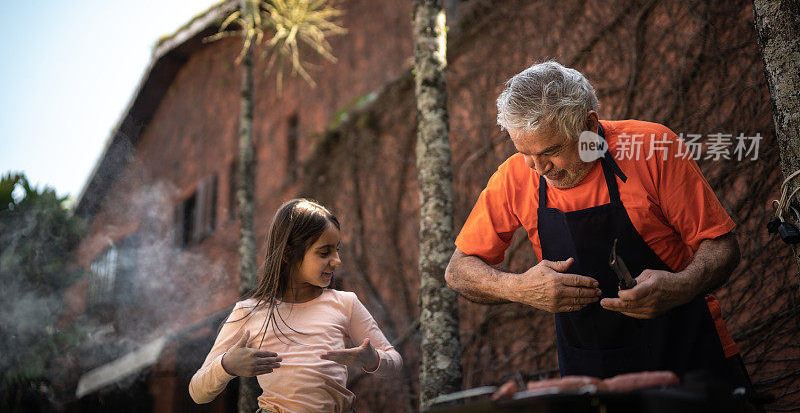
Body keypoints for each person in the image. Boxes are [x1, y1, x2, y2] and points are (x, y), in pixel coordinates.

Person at [445, 61, 751, 386]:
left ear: (589, 124)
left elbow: (722, 246)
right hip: (590, 376)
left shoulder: (651, 147)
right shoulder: (514, 177)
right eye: (525, 153)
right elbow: (459, 269)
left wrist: (682, 286)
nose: (539, 167)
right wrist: (518, 288)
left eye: (551, 150)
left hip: (689, 358)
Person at [189, 198, 402, 412]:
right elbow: (197, 391)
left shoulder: (346, 303)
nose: (337, 260)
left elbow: (395, 362)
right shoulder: (249, 311)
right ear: (289, 253)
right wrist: (226, 365)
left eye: (337, 250)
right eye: (324, 252)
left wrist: (373, 359)